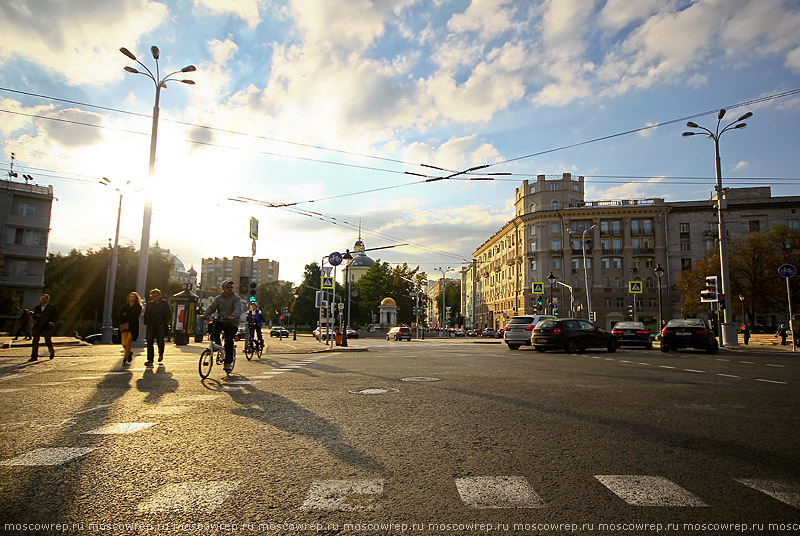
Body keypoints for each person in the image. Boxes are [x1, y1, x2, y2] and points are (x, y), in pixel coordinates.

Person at [201, 280, 243, 373]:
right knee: (212, 327)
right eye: (227, 287)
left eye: (231, 287)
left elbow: (238, 308)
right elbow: (212, 307)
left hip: (232, 323)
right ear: (223, 289)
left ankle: (228, 362)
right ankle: (217, 344)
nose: (230, 289)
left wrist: (233, 316)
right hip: (221, 320)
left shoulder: (236, 298)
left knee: (228, 341)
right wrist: (205, 314)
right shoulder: (218, 298)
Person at [143, 288, 171, 366]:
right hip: (150, 325)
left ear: (159, 295)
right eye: (152, 296)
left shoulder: (164, 303)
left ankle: (160, 353)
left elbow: (168, 314)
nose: (153, 298)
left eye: (155, 296)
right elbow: (146, 313)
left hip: (160, 325)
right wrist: (146, 321)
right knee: (149, 342)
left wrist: (164, 322)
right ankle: (150, 359)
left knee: (160, 341)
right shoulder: (149, 304)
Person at [29, 294, 58, 361]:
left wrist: (53, 322)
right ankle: (34, 356)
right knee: (35, 341)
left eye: (44, 298)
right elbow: (34, 317)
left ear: (48, 299)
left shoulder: (52, 307)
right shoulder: (37, 307)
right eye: (41, 298)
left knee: (47, 340)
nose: (42, 300)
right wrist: (36, 315)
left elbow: (56, 315)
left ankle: (51, 352)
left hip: (47, 326)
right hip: (38, 326)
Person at [118, 291, 143, 364]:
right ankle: (129, 353)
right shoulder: (124, 306)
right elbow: (120, 315)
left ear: (136, 298)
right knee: (124, 344)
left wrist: (126, 315)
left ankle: (125, 359)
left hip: (133, 327)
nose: (131, 298)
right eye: (130, 297)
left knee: (128, 342)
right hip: (124, 327)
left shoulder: (138, 307)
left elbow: (135, 316)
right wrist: (125, 317)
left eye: (133, 297)